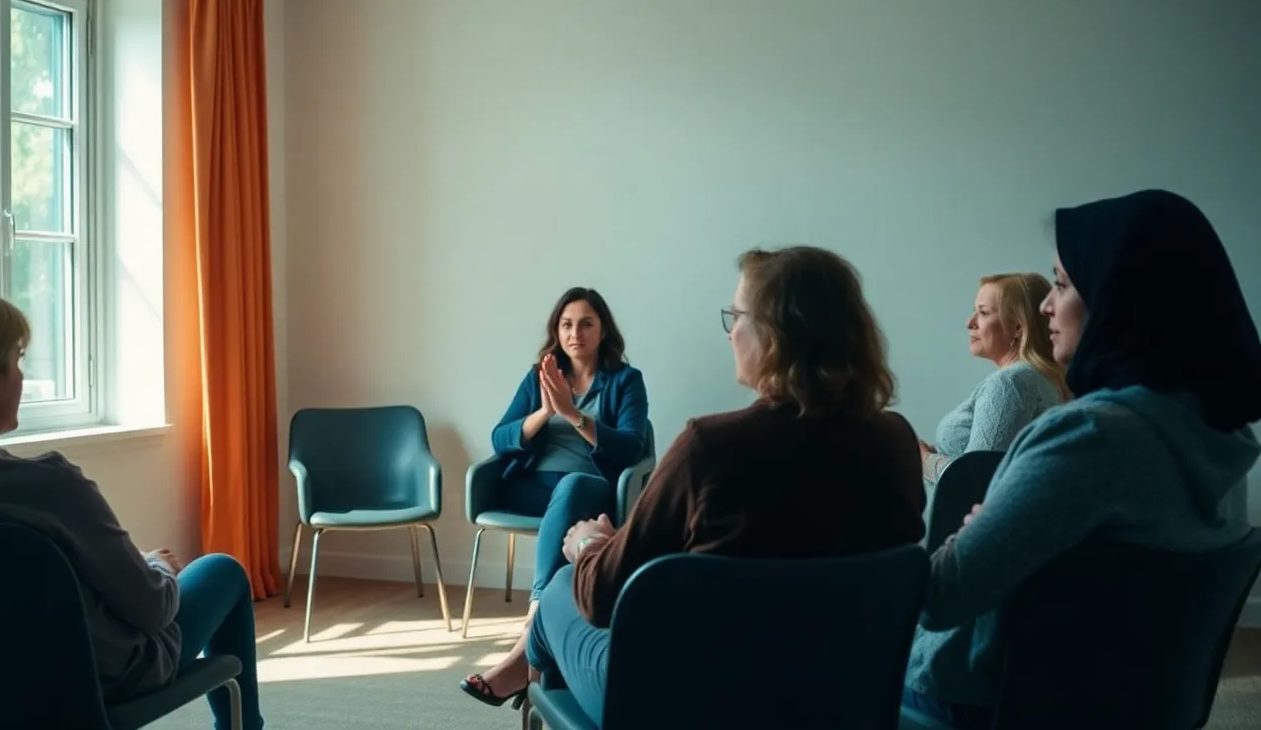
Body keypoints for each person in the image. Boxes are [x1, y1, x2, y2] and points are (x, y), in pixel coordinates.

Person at [494, 246, 927, 725]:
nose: (730, 333)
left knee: (561, 586)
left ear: (776, 333)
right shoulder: (896, 442)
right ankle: (522, 668)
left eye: (736, 315)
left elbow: (600, 598)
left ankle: (528, 676)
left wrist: (589, 546)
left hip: (690, 701)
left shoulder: (710, 446)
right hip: (842, 695)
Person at [902, 189, 1261, 728]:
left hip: (982, 701)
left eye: (1064, 285)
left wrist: (985, 518)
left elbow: (944, 596)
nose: (1047, 304)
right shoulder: (1223, 435)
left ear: (1123, 298)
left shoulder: (1088, 437)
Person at [0, 286, 263, 730]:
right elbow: (154, 610)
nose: (22, 377)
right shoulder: (51, 487)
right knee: (222, 570)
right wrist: (158, 568)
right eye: (18, 361)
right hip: (96, 688)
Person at [461, 286, 649, 707]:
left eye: (586, 323)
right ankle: (534, 644)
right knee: (560, 489)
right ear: (556, 331)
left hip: (590, 490)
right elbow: (502, 435)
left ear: (602, 331)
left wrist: (573, 414)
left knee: (572, 485)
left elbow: (631, 447)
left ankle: (531, 629)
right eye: (566, 324)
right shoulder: (539, 377)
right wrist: (546, 411)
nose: (575, 333)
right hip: (533, 489)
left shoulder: (625, 381)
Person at [919, 273, 1068, 486]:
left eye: (983, 313)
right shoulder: (1039, 379)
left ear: (1018, 326)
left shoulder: (1010, 383)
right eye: (974, 312)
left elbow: (977, 480)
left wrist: (923, 460)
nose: (970, 323)